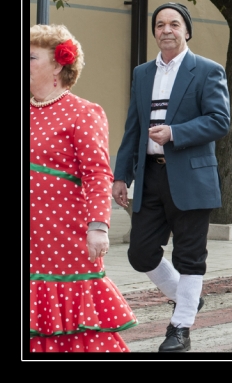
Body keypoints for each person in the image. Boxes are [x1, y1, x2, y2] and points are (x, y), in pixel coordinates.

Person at [112, 2, 231, 352]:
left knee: (190, 256)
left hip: (192, 177)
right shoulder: (142, 73)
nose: (167, 30)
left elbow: (219, 121)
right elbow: (133, 127)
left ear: (187, 30)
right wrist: (121, 175)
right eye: (160, 24)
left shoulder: (208, 71)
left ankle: (181, 328)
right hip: (150, 177)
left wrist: (176, 132)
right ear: (154, 32)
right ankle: (187, 298)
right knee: (140, 253)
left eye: (174, 24)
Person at [30, 24, 138, 352]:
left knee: (74, 325)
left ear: (58, 66)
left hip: (63, 237)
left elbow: (96, 174)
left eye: (31, 57)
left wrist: (98, 227)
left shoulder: (83, 113)